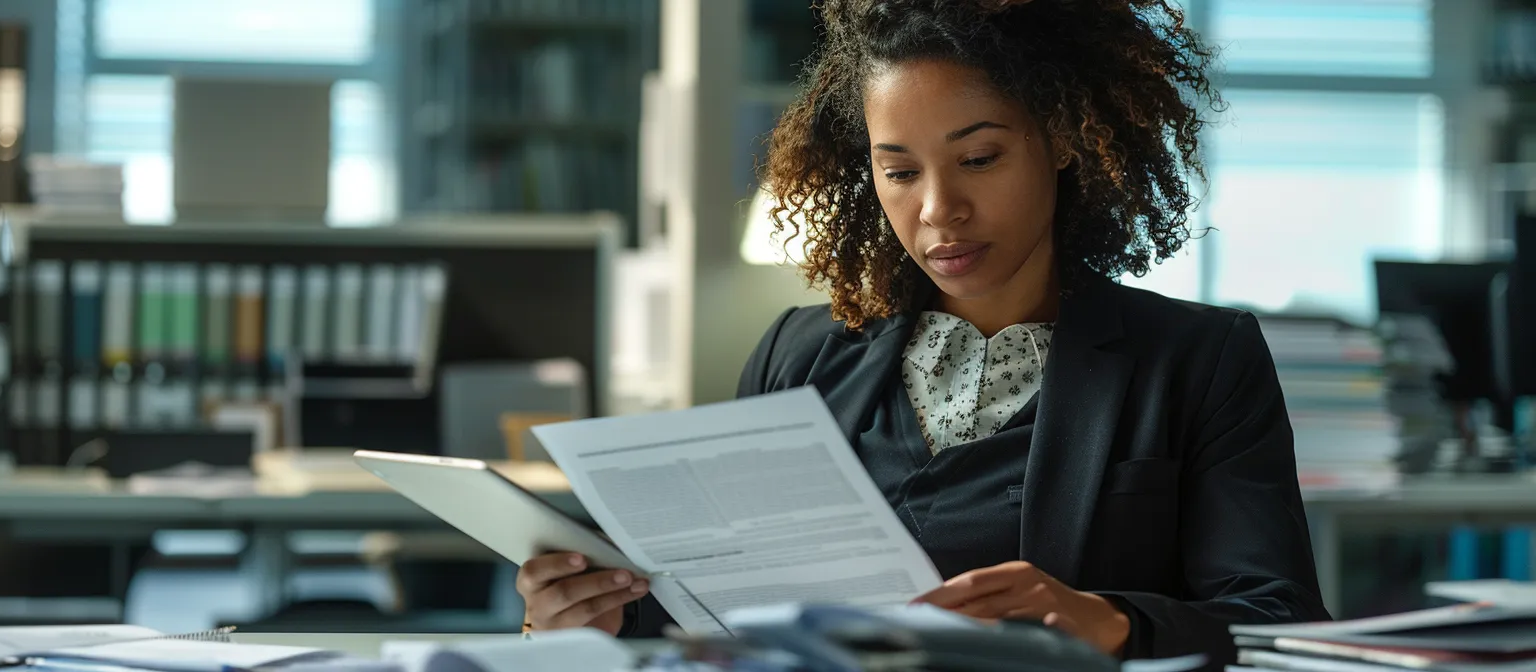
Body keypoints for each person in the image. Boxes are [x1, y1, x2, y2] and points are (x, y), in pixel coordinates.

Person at [515, 0, 1329, 665]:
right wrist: (591, 624)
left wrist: (1110, 622)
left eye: (978, 159)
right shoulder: (797, 355)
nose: (938, 210)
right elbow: (715, 619)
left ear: (1066, 144)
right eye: (899, 171)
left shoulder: (1198, 361)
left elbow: (1277, 624)